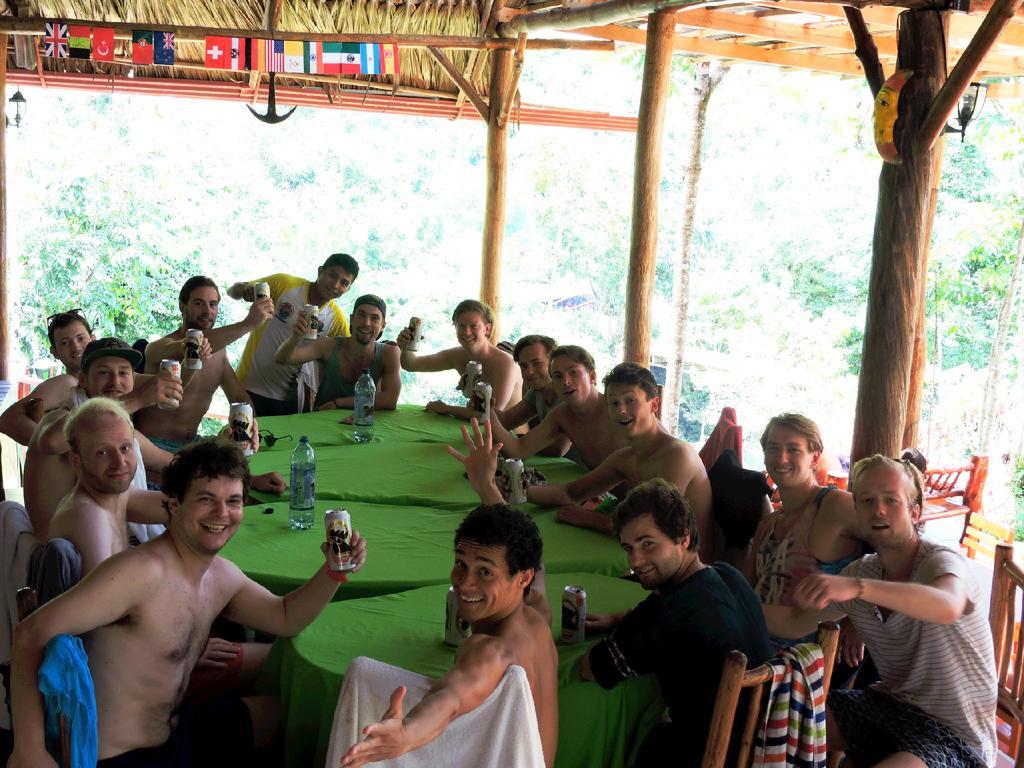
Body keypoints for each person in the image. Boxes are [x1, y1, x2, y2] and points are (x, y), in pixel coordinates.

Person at [9, 439, 367, 768]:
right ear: (174, 505)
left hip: (175, 733)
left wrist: (334, 572)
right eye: (206, 499)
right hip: (119, 757)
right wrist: (28, 749)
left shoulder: (222, 577)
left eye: (234, 501)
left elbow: (286, 617)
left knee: (290, 715)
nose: (221, 514)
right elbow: (30, 633)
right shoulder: (138, 573)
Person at [343, 426, 557, 768]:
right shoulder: (536, 613)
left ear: (522, 577)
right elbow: (529, 553)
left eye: (485, 572)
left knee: (361, 670)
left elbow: (452, 697)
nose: (464, 583)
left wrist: (407, 734)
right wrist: (486, 486)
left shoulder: (491, 649)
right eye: (461, 564)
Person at [773, 454, 996, 768]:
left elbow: (946, 605)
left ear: (915, 512)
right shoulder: (860, 572)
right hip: (886, 708)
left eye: (891, 500)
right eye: (866, 501)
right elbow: (795, 623)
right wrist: (736, 605)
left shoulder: (940, 562)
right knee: (782, 715)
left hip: (956, 737)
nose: (878, 509)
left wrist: (858, 588)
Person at [578, 478, 773, 767]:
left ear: (683, 538)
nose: (635, 560)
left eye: (647, 544)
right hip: (764, 744)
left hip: (705, 755)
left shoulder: (668, 613)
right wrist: (621, 618)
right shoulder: (727, 574)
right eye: (628, 547)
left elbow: (591, 669)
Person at [23, 339, 283, 539]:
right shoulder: (61, 418)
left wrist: (229, 456)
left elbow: (176, 464)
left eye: (124, 373)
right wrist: (139, 399)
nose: (115, 382)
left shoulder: (119, 432)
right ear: (82, 379)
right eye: (104, 373)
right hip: (64, 556)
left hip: (102, 536)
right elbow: (50, 442)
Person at [526, 363, 713, 561]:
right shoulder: (625, 458)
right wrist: (520, 491)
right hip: (650, 558)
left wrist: (589, 518)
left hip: (686, 570)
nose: (621, 410)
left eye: (630, 401)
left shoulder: (678, 455)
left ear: (654, 405)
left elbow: (652, 528)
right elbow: (570, 493)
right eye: (614, 403)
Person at [744, 414, 862, 649]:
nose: (782, 458)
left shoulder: (835, 506)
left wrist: (860, 622)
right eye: (773, 448)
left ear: (815, 457)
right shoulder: (768, 524)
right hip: (756, 641)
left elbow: (892, 548)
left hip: (803, 652)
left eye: (794, 450)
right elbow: (745, 592)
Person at [135, 275, 274, 454]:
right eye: (199, 303)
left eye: (213, 304)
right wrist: (248, 324)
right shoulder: (159, 348)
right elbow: (190, 346)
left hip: (192, 445)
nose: (207, 311)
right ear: (182, 307)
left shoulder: (220, 353)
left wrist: (250, 424)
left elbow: (239, 397)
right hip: (151, 445)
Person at [227, 253, 358, 416]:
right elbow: (232, 291)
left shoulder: (336, 319)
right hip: (248, 386)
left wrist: (383, 347)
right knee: (241, 440)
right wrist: (244, 289)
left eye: (344, 283)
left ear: (348, 288)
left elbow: (351, 354)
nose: (336, 285)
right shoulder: (285, 284)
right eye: (332, 275)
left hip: (291, 398)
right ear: (320, 272)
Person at [488, 345, 626, 470]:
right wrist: (487, 409)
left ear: (592, 376)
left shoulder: (619, 411)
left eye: (573, 372)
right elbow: (518, 451)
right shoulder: (562, 414)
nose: (566, 382)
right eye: (558, 376)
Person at [395, 299, 522, 418]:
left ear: (487, 329)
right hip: (480, 430)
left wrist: (447, 408)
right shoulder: (458, 355)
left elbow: (489, 413)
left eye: (473, 326)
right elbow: (411, 365)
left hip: (512, 435)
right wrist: (407, 346)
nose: (467, 332)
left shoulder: (506, 364)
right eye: (461, 326)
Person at [274, 294, 401, 412]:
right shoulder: (328, 345)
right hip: (323, 421)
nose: (366, 323)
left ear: (383, 325)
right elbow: (282, 359)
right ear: (352, 319)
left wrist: (339, 403)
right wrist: (296, 336)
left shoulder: (389, 353)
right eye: (361, 315)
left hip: (363, 422)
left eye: (374, 318)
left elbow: (390, 400)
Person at [0, 309, 97, 445]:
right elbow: (7, 420)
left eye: (81, 338)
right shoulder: (67, 384)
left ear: (93, 340)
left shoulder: (107, 381)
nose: (76, 347)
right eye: (65, 342)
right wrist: (52, 446)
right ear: (55, 352)